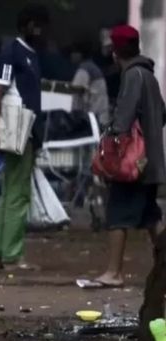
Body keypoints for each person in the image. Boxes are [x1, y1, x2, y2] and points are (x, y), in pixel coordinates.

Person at [91, 25, 166, 288]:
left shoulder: (132, 75)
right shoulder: (149, 75)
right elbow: (162, 114)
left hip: (133, 164)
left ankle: (114, 272)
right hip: (151, 162)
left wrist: (108, 142)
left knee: (117, 215)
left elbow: (123, 119)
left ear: (115, 52)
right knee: (150, 217)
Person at [0, 5, 49, 271]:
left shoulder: (28, 54)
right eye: (36, 26)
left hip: (23, 129)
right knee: (18, 195)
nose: (41, 31)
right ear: (25, 26)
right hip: (18, 130)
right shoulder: (13, 53)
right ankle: (12, 255)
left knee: (10, 192)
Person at [69, 41, 110, 126]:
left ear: (80, 54)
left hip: (93, 118)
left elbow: (76, 88)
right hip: (101, 116)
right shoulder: (92, 67)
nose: (71, 55)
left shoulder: (85, 69)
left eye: (73, 52)